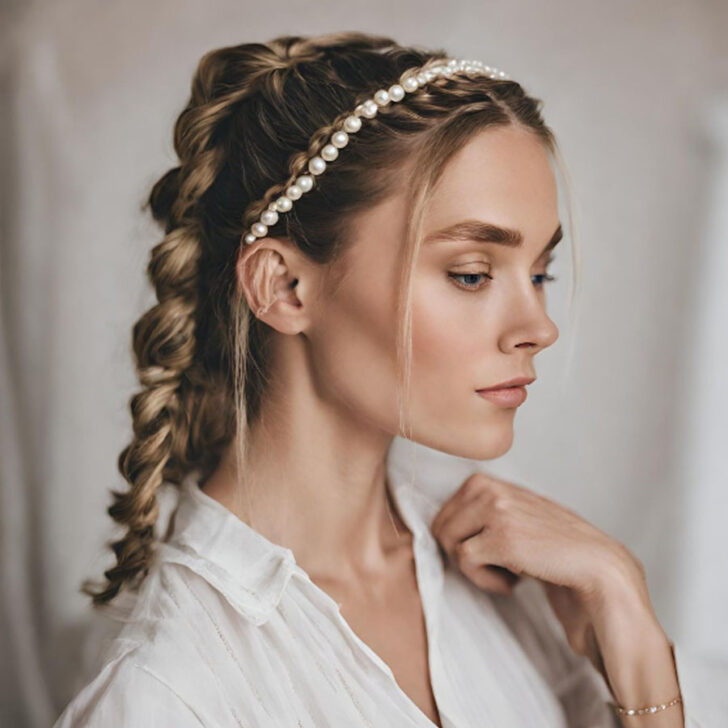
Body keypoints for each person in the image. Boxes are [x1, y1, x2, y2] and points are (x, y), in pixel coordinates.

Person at [52, 31, 724, 727]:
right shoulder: (168, 693)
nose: (539, 326)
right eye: (471, 274)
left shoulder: (521, 581)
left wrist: (627, 618)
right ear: (284, 286)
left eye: (541, 274)